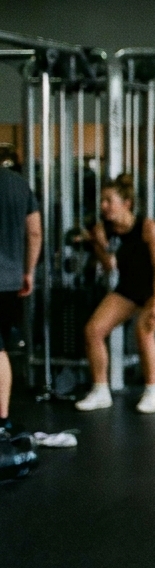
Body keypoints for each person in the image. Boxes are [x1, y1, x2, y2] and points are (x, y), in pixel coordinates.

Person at [76, 181, 155, 413]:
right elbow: (110, 266)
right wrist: (98, 243)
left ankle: (152, 392)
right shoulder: (107, 229)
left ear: (127, 203)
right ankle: (100, 391)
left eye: (109, 200)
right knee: (93, 331)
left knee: (144, 328)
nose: (104, 206)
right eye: (102, 201)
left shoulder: (148, 228)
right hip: (128, 289)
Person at [0, 146, 40, 435]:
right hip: (11, 281)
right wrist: (28, 271)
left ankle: (1, 421)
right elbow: (35, 232)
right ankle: (2, 418)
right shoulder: (20, 184)